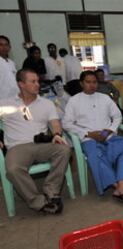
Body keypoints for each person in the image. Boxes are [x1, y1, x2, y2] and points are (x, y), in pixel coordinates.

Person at [0, 69, 71, 214]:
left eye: (38, 81)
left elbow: (55, 123)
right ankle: (38, 201)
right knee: (13, 169)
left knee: (64, 149)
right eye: (33, 81)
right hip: (18, 147)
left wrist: (57, 134)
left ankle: (51, 191)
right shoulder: (5, 104)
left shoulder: (46, 103)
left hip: (42, 143)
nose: (38, 84)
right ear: (21, 84)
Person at [62, 71, 123, 205]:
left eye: (94, 82)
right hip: (88, 139)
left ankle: (120, 186)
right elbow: (66, 123)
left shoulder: (105, 98)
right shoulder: (74, 101)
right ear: (81, 83)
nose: (92, 85)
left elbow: (118, 116)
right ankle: (119, 188)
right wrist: (88, 134)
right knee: (95, 155)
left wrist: (110, 130)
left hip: (108, 135)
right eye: (88, 82)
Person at [0, 35, 19, 100]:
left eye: (6, 45)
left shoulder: (12, 63)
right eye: (1, 45)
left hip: (15, 98)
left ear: (9, 47)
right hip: (3, 99)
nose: (4, 47)